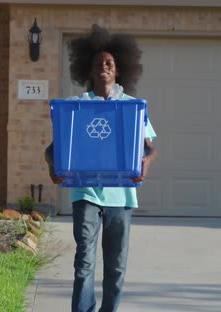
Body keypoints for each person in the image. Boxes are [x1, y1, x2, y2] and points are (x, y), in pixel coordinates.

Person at [44, 24, 157, 312]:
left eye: (109, 64)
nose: (104, 68)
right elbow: (53, 148)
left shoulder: (133, 108)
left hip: (121, 195)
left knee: (116, 266)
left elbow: (149, 147)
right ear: (89, 70)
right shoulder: (77, 107)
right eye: (98, 64)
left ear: (118, 70)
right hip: (86, 192)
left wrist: (145, 163)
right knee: (84, 261)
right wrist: (51, 166)